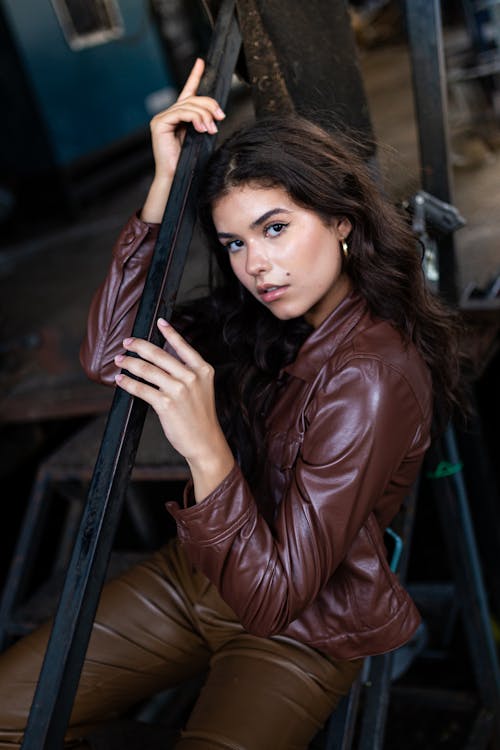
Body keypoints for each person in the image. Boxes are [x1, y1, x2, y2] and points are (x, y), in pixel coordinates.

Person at [0, 58, 464, 749]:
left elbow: (274, 597)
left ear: (340, 219)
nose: (257, 267)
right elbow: (107, 357)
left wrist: (204, 446)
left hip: (303, 623)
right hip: (197, 577)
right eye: (235, 243)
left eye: (276, 228)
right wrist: (162, 187)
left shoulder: (373, 375)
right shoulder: (263, 320)